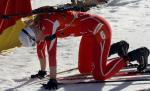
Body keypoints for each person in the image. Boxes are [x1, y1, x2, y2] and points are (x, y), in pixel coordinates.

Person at [27, 3, 149, 91]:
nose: (37, 42)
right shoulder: (38, 29)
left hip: (100, 29)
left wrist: (53, 79)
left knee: (99, 75)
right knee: (84, 69)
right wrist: (42, 71)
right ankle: (118, 47)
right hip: (89, 34)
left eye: (35, 40)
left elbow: (51, 54)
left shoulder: (48, 26)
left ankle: (136, 54)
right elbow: (41, 50)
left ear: (34, 31)